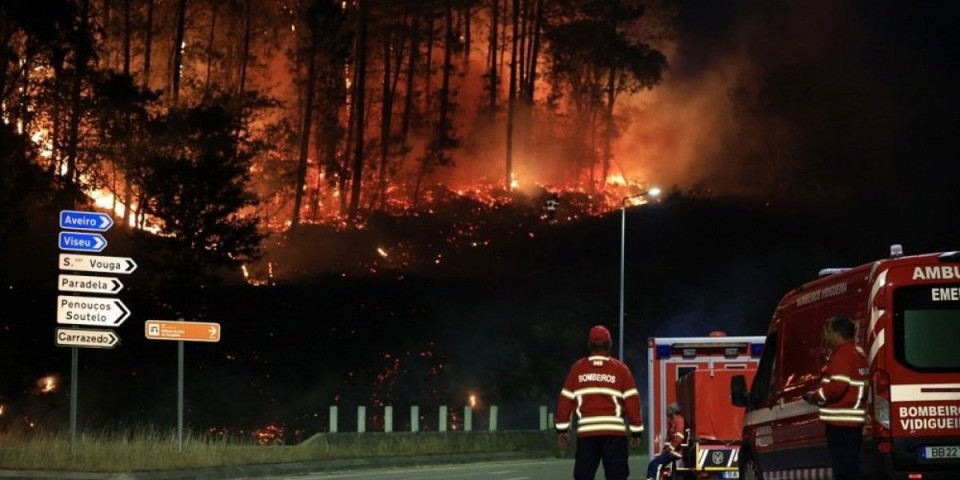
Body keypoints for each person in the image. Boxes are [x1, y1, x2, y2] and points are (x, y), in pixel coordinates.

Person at [556, 325, 644, 480]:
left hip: (587, 434)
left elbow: (565, 400)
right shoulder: (621, 370)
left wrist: (562, 431)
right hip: (614, 434)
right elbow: (632, 402)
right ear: (609, 344)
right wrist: (636, 431)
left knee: (583, 476)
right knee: (617, 476)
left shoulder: (577, 369)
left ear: (589, 345)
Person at [803, 315, 869, 480]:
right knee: (850, 468)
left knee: (845, 471)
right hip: (852, 422)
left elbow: (838, 386)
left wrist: (815, 396)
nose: (827, 336)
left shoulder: (843, 354)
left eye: (829, 332)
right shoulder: (857, 353)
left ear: (837, 334)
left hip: (841, 424)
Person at [645, 403, 685, 480]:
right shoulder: (672, 421)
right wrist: (664, 449)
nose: (667, 411)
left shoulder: (679, 421)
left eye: (669, 409)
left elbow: (679, 438)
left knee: (655, 464)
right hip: (671, 452)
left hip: (676, 452)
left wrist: (668, 449)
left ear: (673, 411)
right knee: (653, 464)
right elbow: (669, 438)